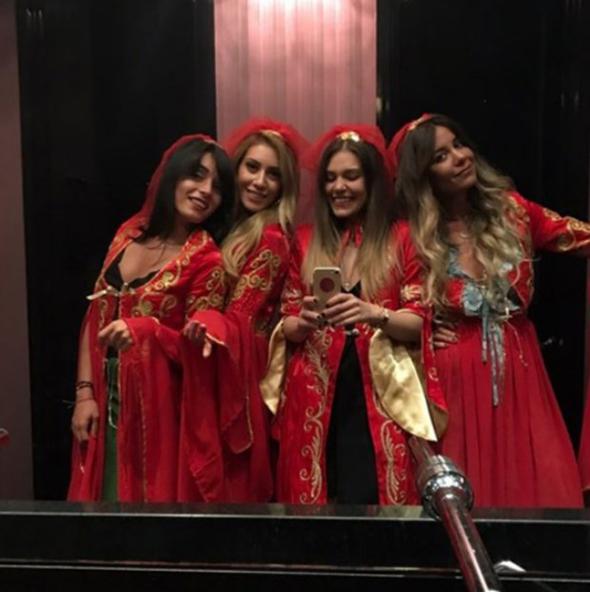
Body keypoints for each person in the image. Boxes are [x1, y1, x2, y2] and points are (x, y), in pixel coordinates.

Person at [392, 113, 590, 507]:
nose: (460, 157)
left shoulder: (513, 212)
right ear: (423, 176)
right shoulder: (411, 237)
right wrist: (426, 330)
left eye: (459, 145)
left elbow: (580, 237)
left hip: (520, 369)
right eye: (441, 156)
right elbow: (393, 307)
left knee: (539, 485)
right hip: (453, 377)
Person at [263, 124, 447, 505]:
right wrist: (305, 320)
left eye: (351, 176)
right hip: (313, 389)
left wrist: (373, 313)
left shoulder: (402, 238)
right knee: (315, 493)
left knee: (375, 492)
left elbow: (418, 323)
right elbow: (288, 324)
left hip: (379, 389)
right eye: (330, 178)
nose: (338, 187)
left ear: (372, 182)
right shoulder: (304, 240)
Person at [68, 134, 234, 502]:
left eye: (218, 187)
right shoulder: (128, 234)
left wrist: (148, 330)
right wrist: (84, 394)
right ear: (173, 175)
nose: (206, 191)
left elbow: (197, 353)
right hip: (103, 397)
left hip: (158, 413)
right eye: (196, 175)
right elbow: (95, 315)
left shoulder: (205, 260)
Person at [182, 118, 307, 502]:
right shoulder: (223, 227)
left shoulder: (271, 237)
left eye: (273, 174)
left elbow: (239, 319)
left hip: (240, 367)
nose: (259, 181)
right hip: (207, 355)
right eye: (252, 167)